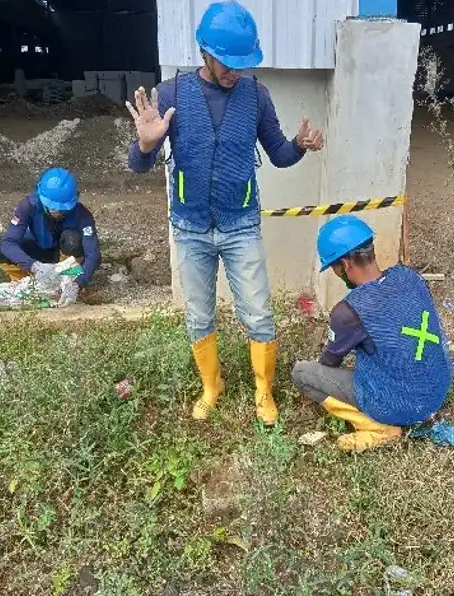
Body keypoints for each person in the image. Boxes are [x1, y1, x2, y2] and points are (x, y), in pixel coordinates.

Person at [126, 1, 324, 425]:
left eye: (242, 62)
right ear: (205, 54)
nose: (235, 70)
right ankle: (211, 386)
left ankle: (263, 390)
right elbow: (139, 164)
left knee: (258, 312)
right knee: (199, 313)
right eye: (227, 62)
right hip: (190, 226)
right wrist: (145, 143)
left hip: (240, 225)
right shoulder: (170, 94)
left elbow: (279, 154)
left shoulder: (257, 96)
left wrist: (299, 146)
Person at [291, 215, 453, 452]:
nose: (336, 273)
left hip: (403, 406)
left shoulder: (348, 312)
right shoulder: (409, 277)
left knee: (302, 373)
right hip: (437, 390)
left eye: (334, 268)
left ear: (345, 265)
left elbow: (329, 363)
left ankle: (379, 428)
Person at [0, 168, 101, 308]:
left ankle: (64, 282)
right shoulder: (27, 206)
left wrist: (78, 283)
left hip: (64, 260)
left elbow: (93, 255)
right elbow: (8, 243)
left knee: (73, 239)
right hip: (35, 254)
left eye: (63, 209)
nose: (58, 213)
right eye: (53, 208)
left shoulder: (83, 215)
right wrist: (33, 266)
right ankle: (22, 280)